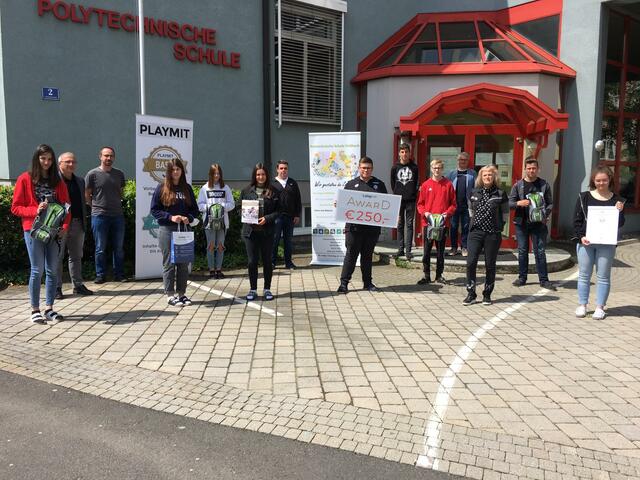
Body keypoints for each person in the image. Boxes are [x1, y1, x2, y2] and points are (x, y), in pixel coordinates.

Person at [11, 144, 70, 324]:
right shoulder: (24, 179)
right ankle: (35, 309)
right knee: (37, 270)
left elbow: (67, 206)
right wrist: (34, 210)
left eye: (50, 159)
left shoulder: (58, 181)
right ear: (37, 159)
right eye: (43, 158)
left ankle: (49, 309)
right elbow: (15, 207)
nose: (46, 162)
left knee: (52, 271)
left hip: (53, 231)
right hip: (34, 230)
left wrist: (64, 227)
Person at [573, 166, 625, 320]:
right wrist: (580, 236)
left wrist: (620, 211)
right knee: (584, 275)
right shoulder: (584, 197)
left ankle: (600, 307)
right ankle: (582, 305)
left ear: (610, 181)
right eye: (598, 180)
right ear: (593, 181)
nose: (601, 183)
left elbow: (620, 223)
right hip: (586, 243)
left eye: (604, 180)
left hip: (607, 244)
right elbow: (576, 221)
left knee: (603, 276)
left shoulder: (617, 200)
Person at [150, 158, 199, 307]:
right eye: (173, 169)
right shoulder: (161, 187)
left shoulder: (187, 188)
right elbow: (154, 210)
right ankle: (170, 295)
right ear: (169, 172)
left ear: (182, 171)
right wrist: (171, 217)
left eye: (178, 169)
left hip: (184, 230)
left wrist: (188, 218)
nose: (176, 172)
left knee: (183, 264)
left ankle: (182, 294)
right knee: (169, 263)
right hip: (167, 230)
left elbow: (195, 210)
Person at [337, 156, 387, 293]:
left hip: (372, 229)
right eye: (363, 168)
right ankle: (344, 284)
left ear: (372, 169)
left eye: (368, 168)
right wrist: (339, 204)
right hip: (354, 228)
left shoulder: (379, 185)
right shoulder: (351, 184)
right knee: (351, 255)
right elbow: (343, 204)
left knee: (367, 256)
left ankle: (368, 283)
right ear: (359, 168)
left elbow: (386, 205)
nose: (366, 170)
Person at [463, 165, 509, 306]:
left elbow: (505, 214)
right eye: (484, 175)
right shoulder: (473, 192)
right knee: (471, 263)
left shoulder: (501, 194)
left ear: (494, 177)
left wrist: (499, 227)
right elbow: (471, 211)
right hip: (475, 233)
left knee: (490, 265)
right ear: (480, 178)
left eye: (490, 175)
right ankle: (471, 293)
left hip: (492, 234)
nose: (487, 177)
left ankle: (487, 294)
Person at [508, 157, 555, 290]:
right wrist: (519, 203)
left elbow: (550, 203)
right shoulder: (518, 185)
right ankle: (522, 278)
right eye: (529, 168)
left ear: (538, 169)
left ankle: (544, 280)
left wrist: (544, 214)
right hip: (521, 223)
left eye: (534, 168)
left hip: (538, 224)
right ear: (525, 169)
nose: (531, 170)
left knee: (540, 252)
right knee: (522, 251)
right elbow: (509, 204)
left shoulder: (544, 184)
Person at [85, 146, 126, 283]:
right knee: (100, 248)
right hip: (99, 215)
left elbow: (121, 192)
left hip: (117, 215)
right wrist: (94, 207)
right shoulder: (92, 174)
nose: (109, 158)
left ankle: (119, 275)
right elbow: (87, 194)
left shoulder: (119, 174)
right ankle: (100, 275)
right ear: (100, 156)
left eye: (111, 156)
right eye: (106, 155)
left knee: (118, 248)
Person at [240, 163, 280, 301]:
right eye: (258, 174)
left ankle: (267, 289)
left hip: (267, 232)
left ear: (266, 175)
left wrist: (267, 218)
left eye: (263, 174)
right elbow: (240, 209)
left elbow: (279, 211)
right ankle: (253, 289)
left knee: (267, 261)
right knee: (252, 261)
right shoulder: (246, 190)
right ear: (254, 176)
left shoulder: (273, 190)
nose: (260, 177)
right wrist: (246, 215)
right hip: (250, 232)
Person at [56, 152, 93, 299]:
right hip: (59, 225)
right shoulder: (54, 181)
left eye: (73, 162)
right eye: (67, 162)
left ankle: (77, 285)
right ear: (60, 164)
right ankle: (56, 287)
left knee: (76, 256)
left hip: (77, 222)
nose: (71, 164)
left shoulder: (80, 181)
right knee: (57, 257)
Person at [416, 158, 456, 285]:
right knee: (426, 251)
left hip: (442, 224)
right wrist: (425, 213)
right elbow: (420, 204)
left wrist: (446, 214)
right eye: (434, 168)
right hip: (428, 224)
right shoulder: (426, 185)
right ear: (431, 169)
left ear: (442, 169)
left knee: (440, 251)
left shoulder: (448, 185)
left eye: (439, 168)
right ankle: (426, 275)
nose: (437, 170)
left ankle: (439, 275)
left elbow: (453, 205)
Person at [197, 164, 235, 279]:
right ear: (210, 174)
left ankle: (219, 269)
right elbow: (199, 205)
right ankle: (211, 270)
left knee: (220, 246)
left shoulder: (225, 188)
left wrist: (221, 207)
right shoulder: (205, 188)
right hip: (209, 223)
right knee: (210, 246)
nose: (216, 175)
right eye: (214, 173)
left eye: (218, 173)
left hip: (223, 222)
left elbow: (232, 204)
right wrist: (211, 208)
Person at [271, 160, 302, 269]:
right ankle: (272, 262)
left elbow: (298, 200)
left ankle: (288, 263)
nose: (283, 170)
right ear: (277, 169)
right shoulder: (272, 183)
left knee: (288, 241)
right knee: (274, 240)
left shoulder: (292, 183)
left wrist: (297, 215)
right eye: (281, 168)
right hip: (276, 218)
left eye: (285, 168)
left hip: (289, 217)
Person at [390, 144, 419, 259]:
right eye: (402, 152)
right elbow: (393, 183)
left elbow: (417, 182)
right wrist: (397, 193)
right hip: (398, 200)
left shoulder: (414, 167)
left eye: (406, 151)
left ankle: (408, 251)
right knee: (400, 224)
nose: (404, 154)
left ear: (409, 153)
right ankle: (400, 249)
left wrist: (413, 193)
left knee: (410, 225)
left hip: (411, 201)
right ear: (399, 153)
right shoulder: (394, 167)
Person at [446, 152, 476, 257]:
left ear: (468, 161)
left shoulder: (472, 173)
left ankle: (464, 247)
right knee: (453, 227)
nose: (462, 162)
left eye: (464, 160)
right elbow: (447, 188)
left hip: (466, 205)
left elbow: (475, 189)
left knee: (466, 226)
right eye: (460, 160)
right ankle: (453, 248)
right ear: (457, 161)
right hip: (454, 205)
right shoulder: (451, 173)